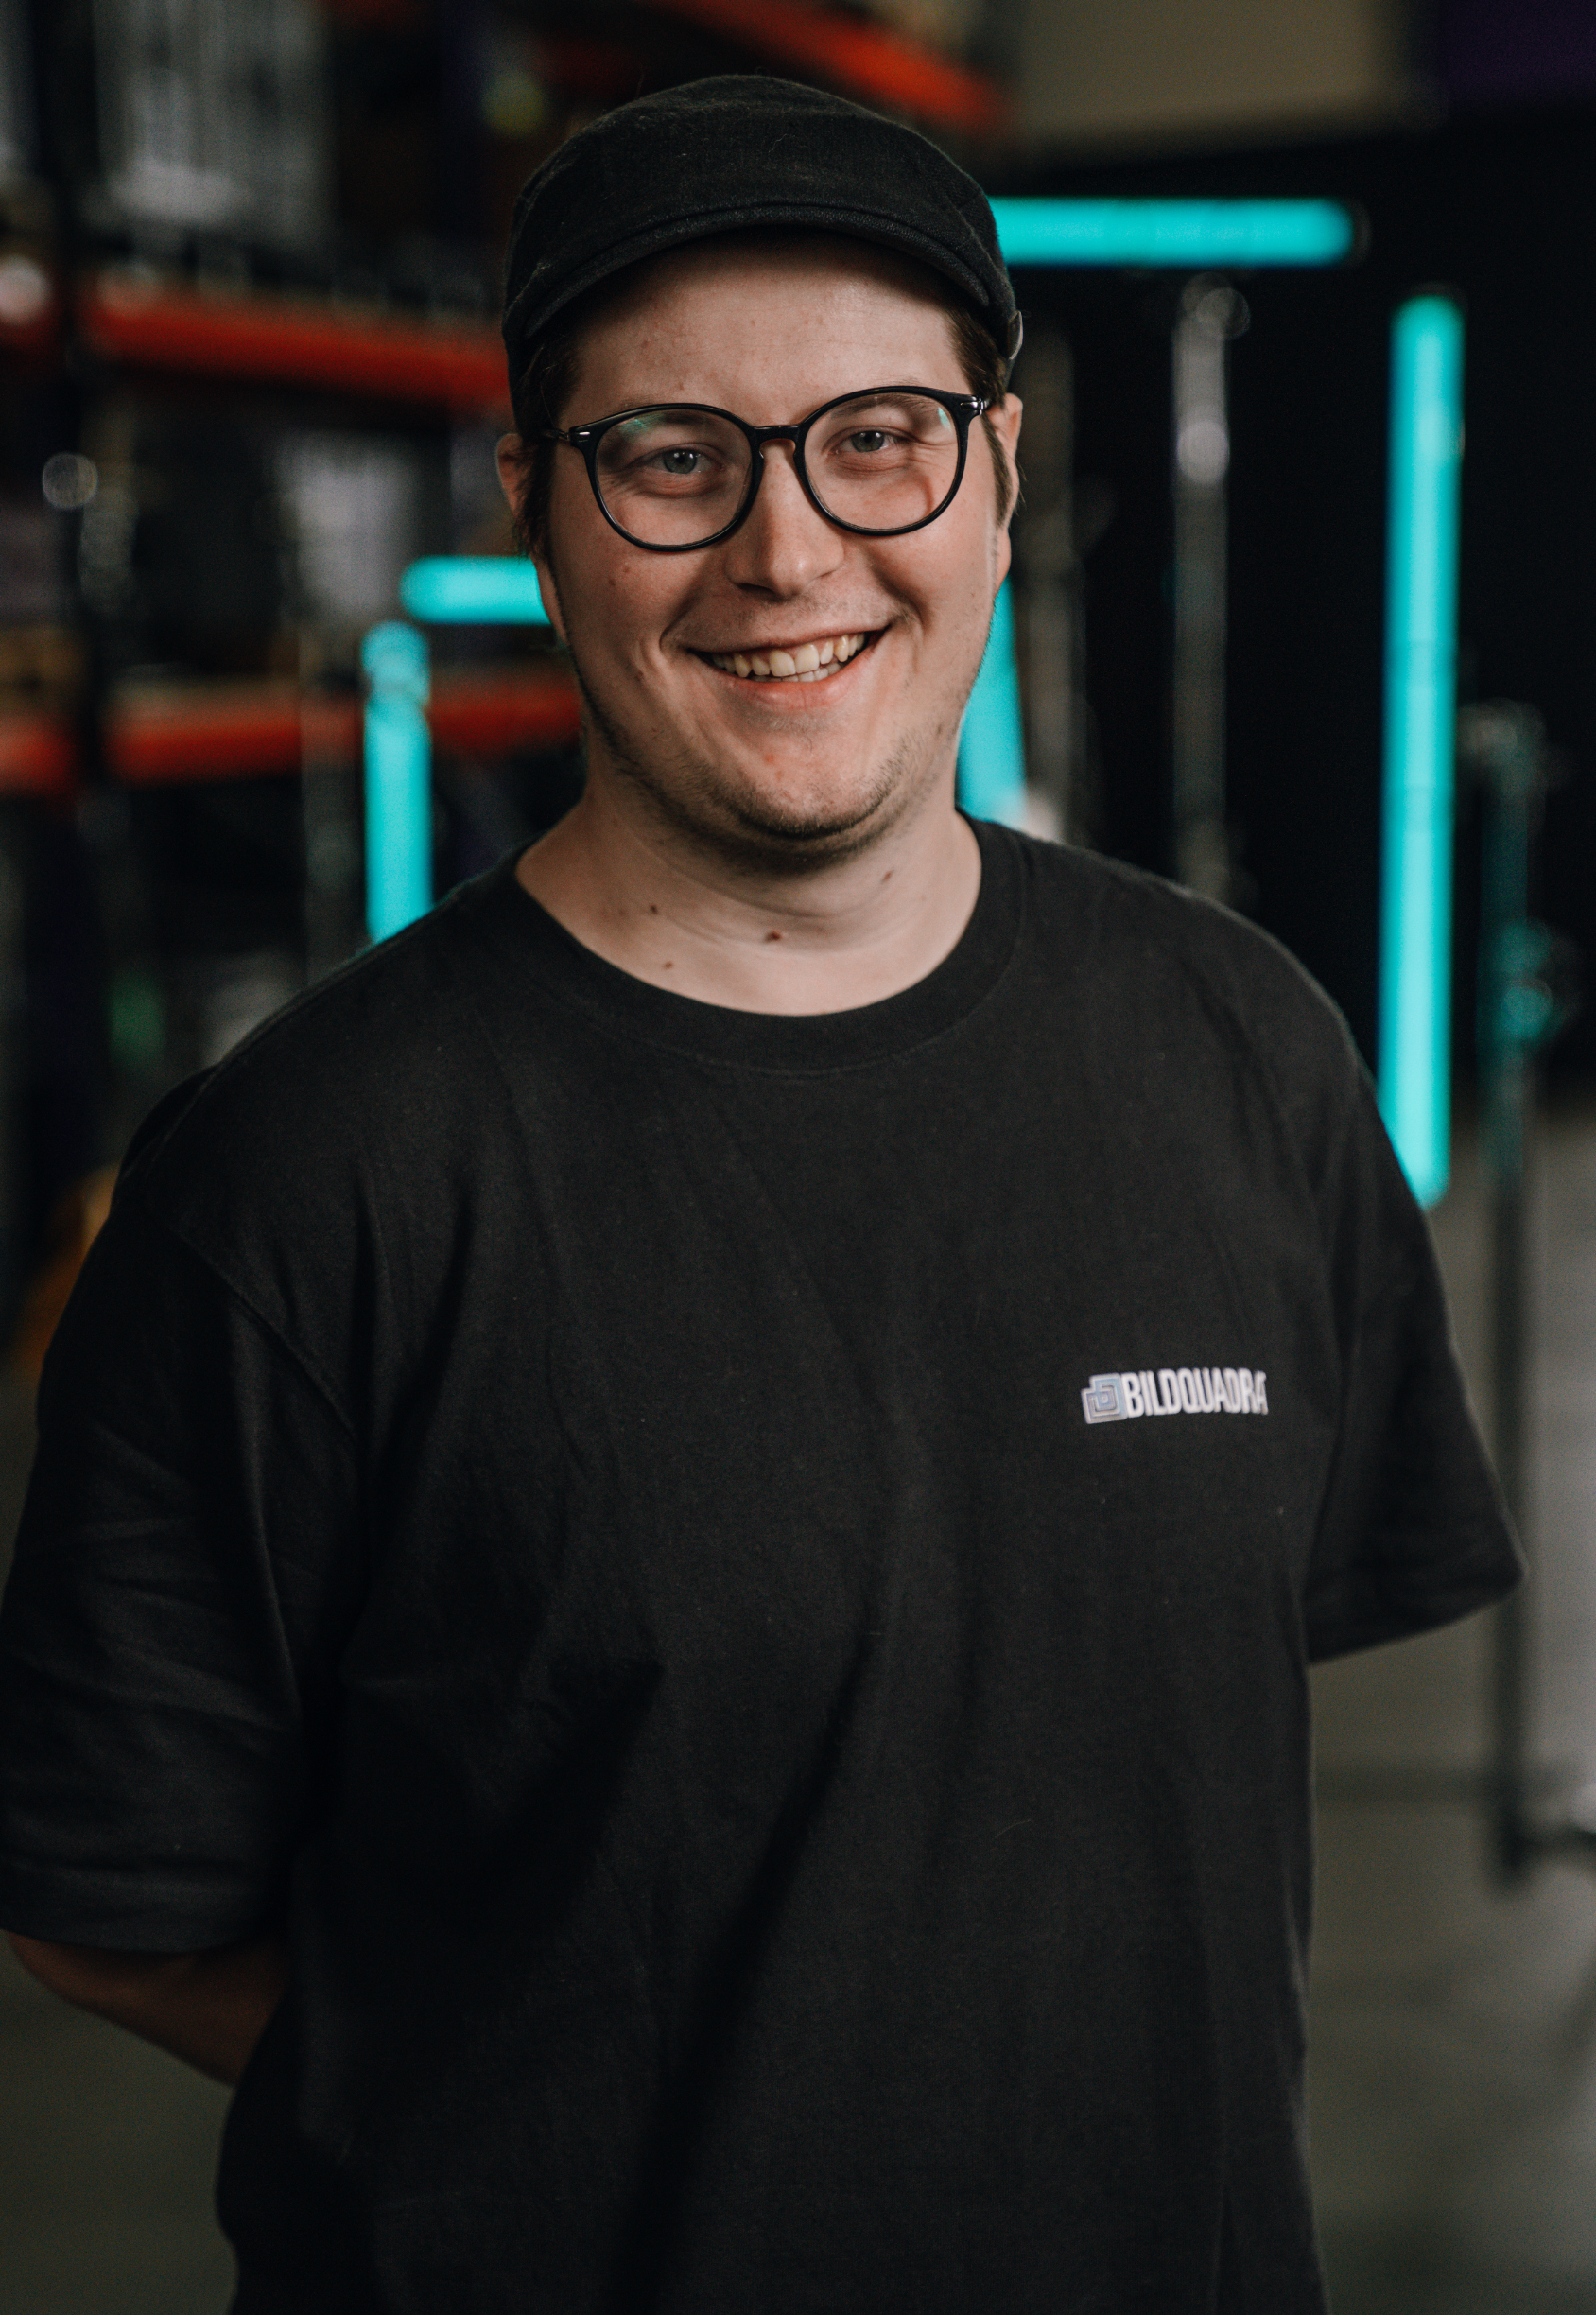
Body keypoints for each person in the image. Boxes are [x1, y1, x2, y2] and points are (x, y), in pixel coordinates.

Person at [0, 74, 1518, 2315]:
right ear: (532, 500)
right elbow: (103, 1900)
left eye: (879, 434)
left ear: (1000, 470)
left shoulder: (1241, 1050)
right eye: (671, 456)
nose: (788, 552)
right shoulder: (299, 1181)